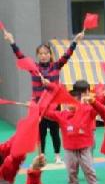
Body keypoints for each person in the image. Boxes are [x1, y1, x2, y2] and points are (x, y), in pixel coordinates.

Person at [4, 28, 83, 164]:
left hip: (53, 105)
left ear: (50, 54)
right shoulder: (33, 68)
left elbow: (67, 55)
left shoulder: (56, 66)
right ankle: (42, 156)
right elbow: (21, 57)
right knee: (41, 133)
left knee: (54, 131)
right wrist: (12, 41)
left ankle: (57, 155)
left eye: (46, 53)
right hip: (39, 106)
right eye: (40, 53)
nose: (43, 56)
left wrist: (75, 41)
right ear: (37, 55)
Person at [44, 85, 102, 184]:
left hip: (84, 148)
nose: (70, 104)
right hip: (69, 149)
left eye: (74, 102)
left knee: (89, 169)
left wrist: (95, 100)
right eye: (68, 102)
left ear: (79, 101)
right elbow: (46, 113)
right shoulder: (62, 115)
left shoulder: (87, 110)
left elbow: (99, 108)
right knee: (71, 171)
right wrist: (37, 106)